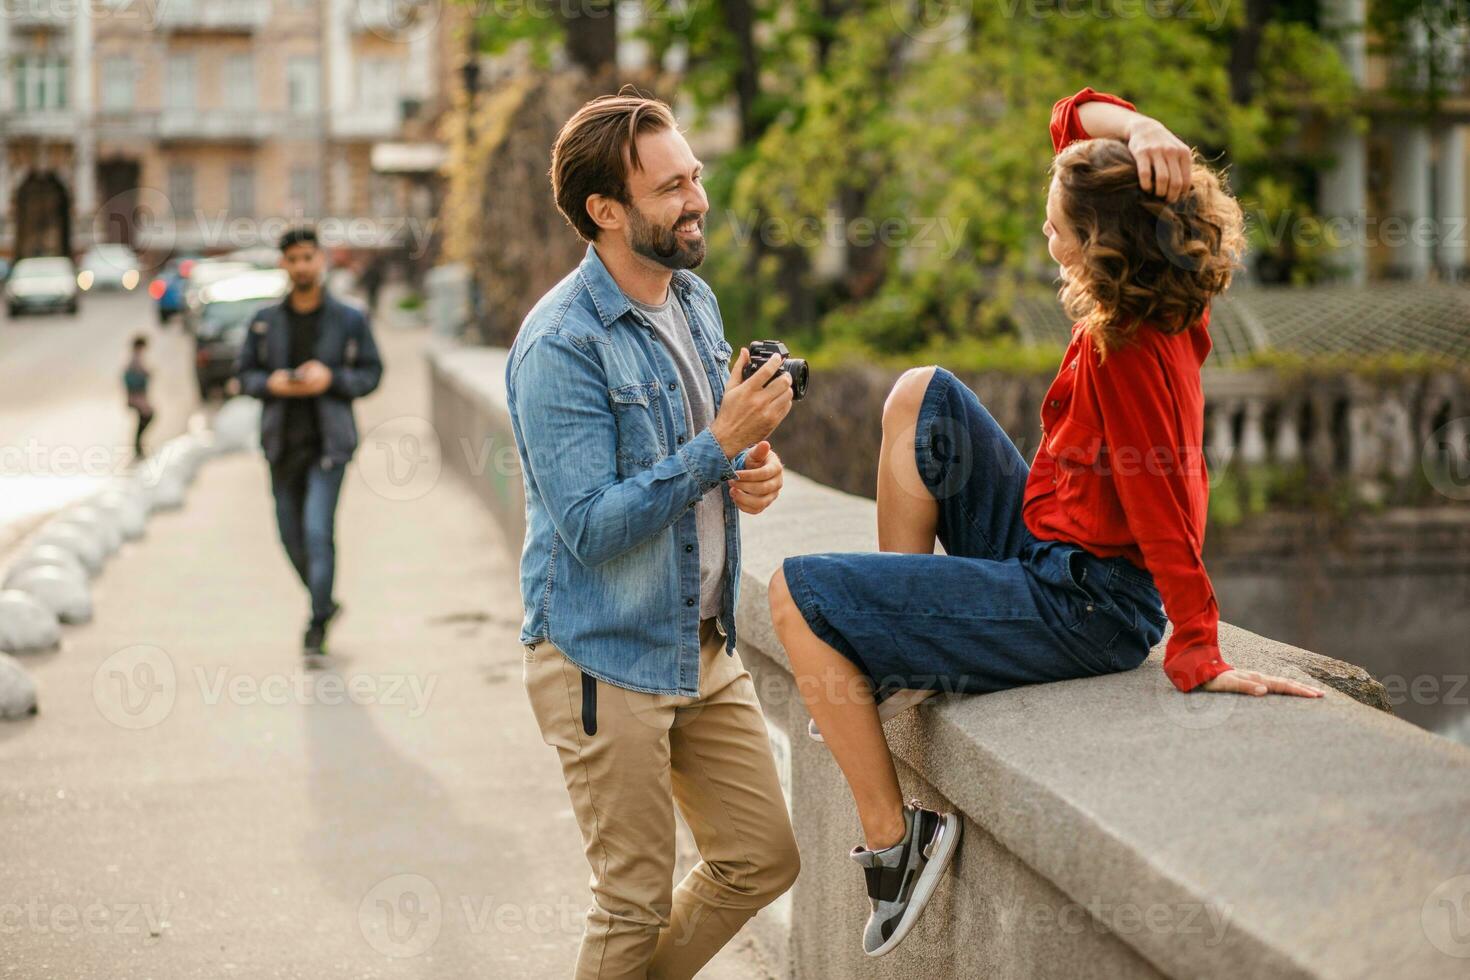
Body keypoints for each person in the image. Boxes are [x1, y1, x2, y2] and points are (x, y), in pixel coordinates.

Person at [766, 88, 1328, 958]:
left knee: (795, 595)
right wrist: (1141, 129)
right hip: (1050, 549)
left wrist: (1200, 643)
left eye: (1056, 222)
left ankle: (897, 846)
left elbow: (1166, 503)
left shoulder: (1129, 348)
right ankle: (899, 658)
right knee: (923, 394)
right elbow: (1069, 120)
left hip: (1087, 605)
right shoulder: (1164, 293)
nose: (1045, 232)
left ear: (1098, 245)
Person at [506, 92, 799, 979]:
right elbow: (592, 527)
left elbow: (706, 457)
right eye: (671, 187)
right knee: (630, 902)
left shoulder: (696, 300)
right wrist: (719, 447)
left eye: (694, 176)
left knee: (764, 857)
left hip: (702, 643)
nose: (696, 199)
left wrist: (753, 467)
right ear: (607, 210)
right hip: (603, 657)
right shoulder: (560, 344)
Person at [235, 227, 383, 656]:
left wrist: (331, 378)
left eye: (308, 257)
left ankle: (317, 621)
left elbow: (372, 373)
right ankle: (326, 601)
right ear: (283, 264)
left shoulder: (349, 318)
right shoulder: (265, 320)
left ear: (322, 261)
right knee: (290, 537)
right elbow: (244, 375)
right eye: (293, 258)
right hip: (281, 445)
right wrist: (273, 383)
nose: (301, 266)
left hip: (329, 446)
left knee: (318, 532)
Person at [122, 335, 153, 460]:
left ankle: (138, 446)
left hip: (137, 396)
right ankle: (138, 446)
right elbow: (138, 376)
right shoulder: (135, 359)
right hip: (137, 397)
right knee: (147, 416)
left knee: (143, 419)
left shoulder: (135, 358)